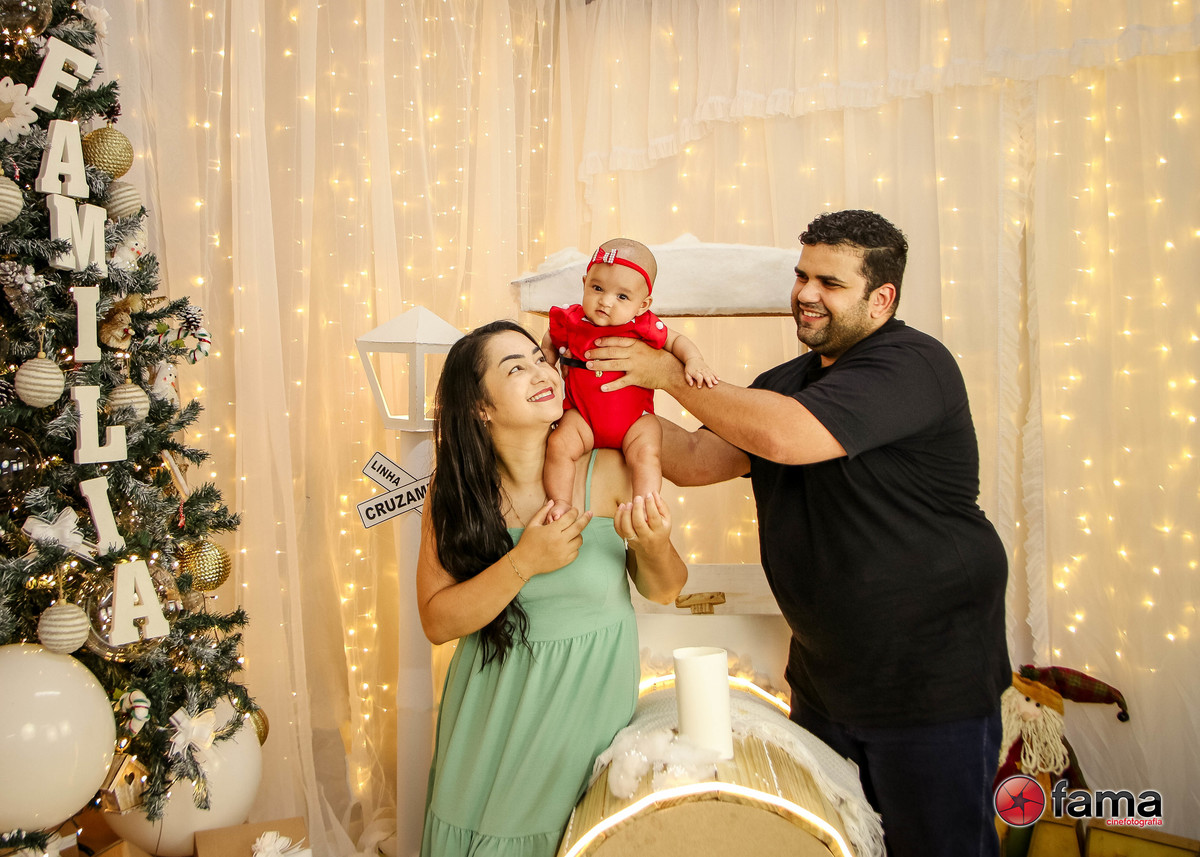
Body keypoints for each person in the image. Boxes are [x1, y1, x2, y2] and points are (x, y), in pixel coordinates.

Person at [583, 210, 1011, 857]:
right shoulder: (783, 385)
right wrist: (592, 404)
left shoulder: (912, 364)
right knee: (832, 844)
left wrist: (666, 373)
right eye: (802, 275)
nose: (806, 293)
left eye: (830, 283)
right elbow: (697, 458)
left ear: (881, 299)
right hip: (826, 679)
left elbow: (786, 436)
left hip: (929, 683)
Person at [417, 320, 688, 857]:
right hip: (489, 725)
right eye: (515, 368)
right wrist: (524, 562)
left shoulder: (608, 470)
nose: (541, 372)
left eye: (539, 359)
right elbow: (437, 621)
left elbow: (665, 590)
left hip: (580, 727)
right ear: (481, 407)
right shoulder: (455, 493)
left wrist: (655, 544)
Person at [541, 237, 717, 520]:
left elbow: (676, 341)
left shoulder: (643, 325)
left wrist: (694, 360)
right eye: (597, 288)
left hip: (634, 421)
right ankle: (561, 502)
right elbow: (552, 335)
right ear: (584, 283)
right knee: (559, 445)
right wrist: (548, 361)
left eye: (622, 297)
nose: (605, 301)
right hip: (583, 416)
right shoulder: (573, 320)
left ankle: (645, 507)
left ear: (642, 304)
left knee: (647, 452)